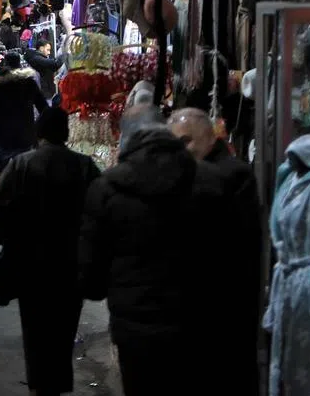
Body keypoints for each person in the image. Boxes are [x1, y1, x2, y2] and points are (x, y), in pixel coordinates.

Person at [78, 122, 224, 394]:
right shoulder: (209, 183)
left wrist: (96, 287)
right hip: (194, 318)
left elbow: (92, 266)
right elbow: (225, 254)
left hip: (133, 322)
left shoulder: (107, 188)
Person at [0, 108, 100, 396]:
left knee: (35, 330)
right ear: (67, 133)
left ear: (40, 133)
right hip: (71, 265)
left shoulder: (21, 164)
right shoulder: (85, 166)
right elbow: (101, 214)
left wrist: (8, 239)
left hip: (30, 263)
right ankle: (56, 386)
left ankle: (39, 385)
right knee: (64, 329)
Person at [169, 107, 261, 396]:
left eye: (186, 142)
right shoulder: (190, 174)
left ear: (209, 139)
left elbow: (236, 247)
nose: (181, 151)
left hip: (225, 307)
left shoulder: (231, 175)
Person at [0, 52, 49, 179]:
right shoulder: (29, 83)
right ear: (19, 64)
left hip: (3, 138)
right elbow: (44, 108)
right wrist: (37, 129)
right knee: (27, 176)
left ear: (5, 64)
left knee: (0, 176)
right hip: (25, 138)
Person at [24, 37, 64, 102]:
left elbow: (53, 67)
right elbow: (54, 64)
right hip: (44, 93)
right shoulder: (36, 59)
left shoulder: (36, 57)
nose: (49, 53)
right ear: (41, 48)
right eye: (48, 50)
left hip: (45, 92)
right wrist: (65, 55)